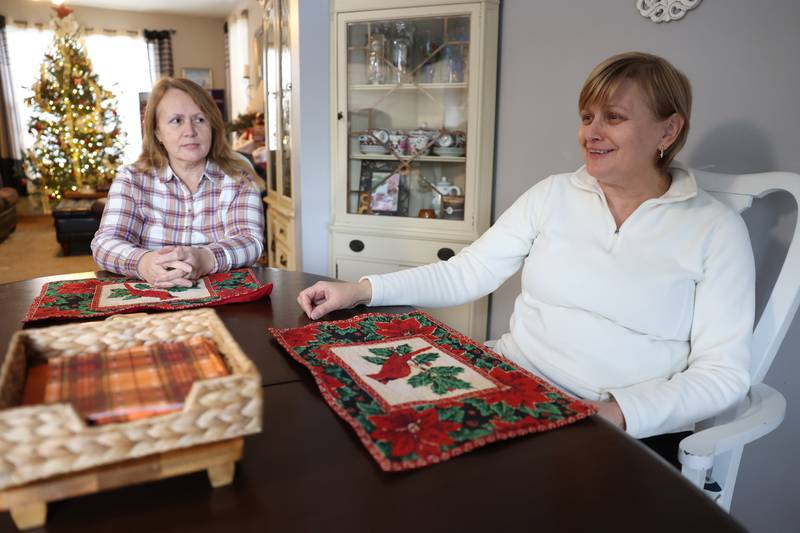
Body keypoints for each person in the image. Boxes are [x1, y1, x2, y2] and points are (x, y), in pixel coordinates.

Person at [297, 52, 755, 456]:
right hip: (514, 387)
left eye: (613, 117)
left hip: (625, 429)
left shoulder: (716, 230)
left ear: (669, 129)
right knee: (360, 426)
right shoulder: (553, 194)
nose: (590, 133)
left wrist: (616, 413)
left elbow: (723, 375)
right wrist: (360, 289)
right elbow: (468, 273)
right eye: (587, 116)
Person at [92, 78, 264, 288]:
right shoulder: (131, 179)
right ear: (157, 132)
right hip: (150, 301)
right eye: (176, 120)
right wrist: (144, 263)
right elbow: (104, 244)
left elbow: (250, 241)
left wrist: (206, 258)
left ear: (212, 126)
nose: (190, 131)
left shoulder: (238, 179)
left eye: (200, 119)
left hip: (223, 301)